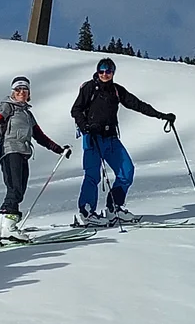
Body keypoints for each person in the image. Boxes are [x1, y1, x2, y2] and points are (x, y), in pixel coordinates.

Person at [69, 56, 172, 225]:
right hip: (92, 138)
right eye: (101, 71)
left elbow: (138, 104)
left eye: (108, 71)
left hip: (111, 139)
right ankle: (86, 212)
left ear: (113, 72)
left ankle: (114, 208)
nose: (104, 74)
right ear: (97, 72)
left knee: (127, 171)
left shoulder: (116, 90)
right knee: (92, 175)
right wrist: (85, 127)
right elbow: (76, 109)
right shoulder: (89, 88)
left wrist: (162, 116)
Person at [0, 76, 69, 240]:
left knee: (17, 190)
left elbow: (40, 136)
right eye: (18, 89)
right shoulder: (7, 106)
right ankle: (8, 228)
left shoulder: (27, 114)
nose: (21, 92)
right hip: (10, 151)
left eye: (25, 89)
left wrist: (59, 149)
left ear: (29, 93)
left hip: (22, 153)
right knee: (15, 189)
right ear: (13, 92)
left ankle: (2, 228)